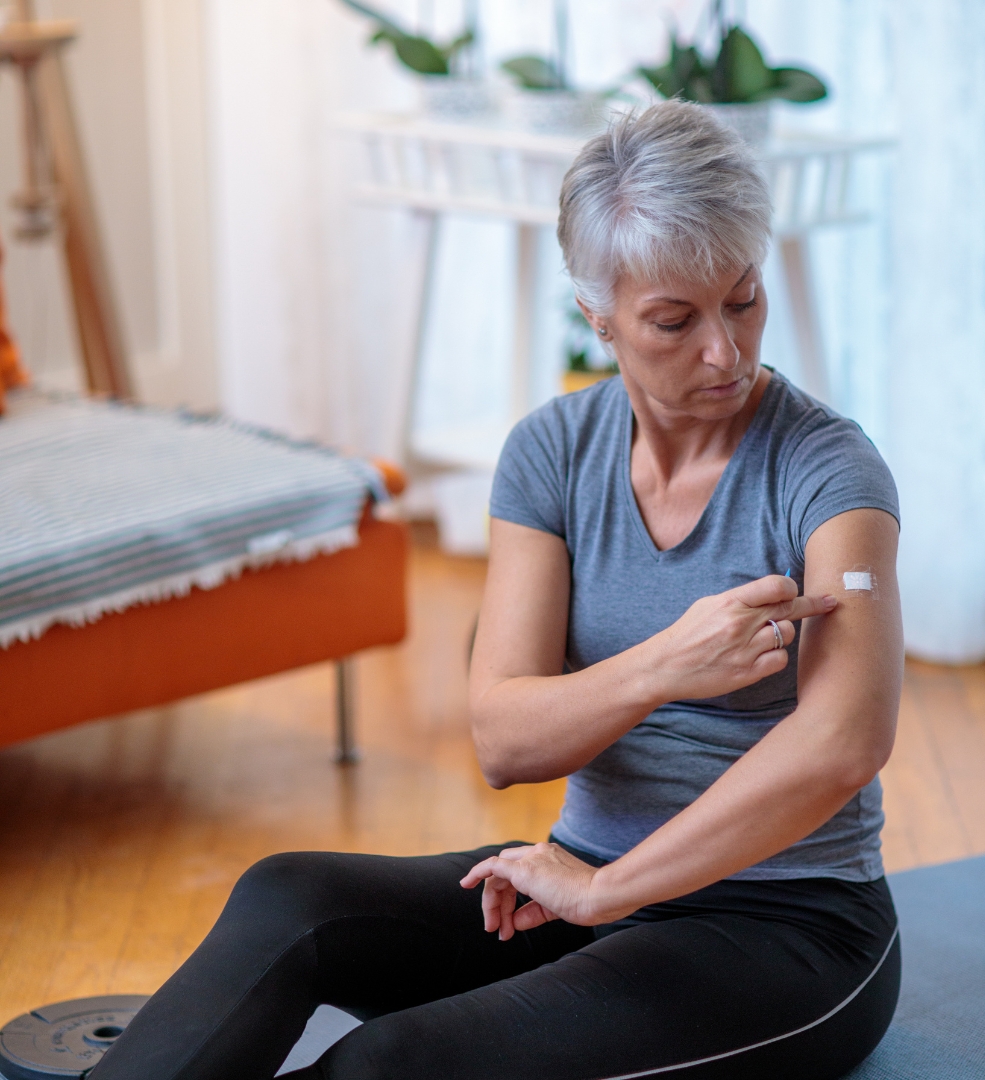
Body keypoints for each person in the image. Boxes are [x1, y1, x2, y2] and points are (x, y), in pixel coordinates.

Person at [93, 100, 903, 1080]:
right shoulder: (551, 454)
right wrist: (666, 665)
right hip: (578, 889)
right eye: (673, 321)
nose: (725, 351)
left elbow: (845, 742)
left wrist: (611, 891)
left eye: (743, 299)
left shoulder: (827, 471)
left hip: (789, 928)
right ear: (596, 315)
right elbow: (505, 741)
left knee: (390, 1063)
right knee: (289, 897)